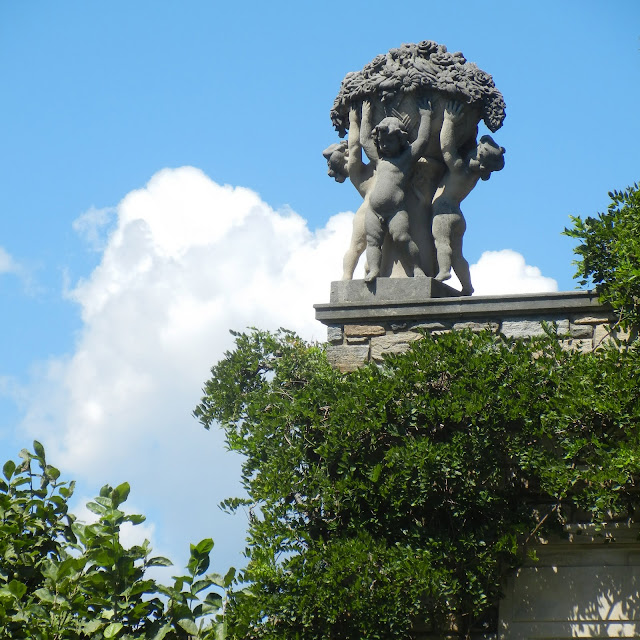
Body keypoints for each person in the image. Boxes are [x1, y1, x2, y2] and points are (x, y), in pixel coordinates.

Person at [431, 101, 505, 295]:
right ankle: (467, 285)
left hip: (444, 212)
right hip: (458, 216)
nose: (472, 151)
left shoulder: (459, 169)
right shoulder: (473, 176)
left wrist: (448, 121)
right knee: (458, 255)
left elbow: (447, 148)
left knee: (441, 242)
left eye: (476, 151)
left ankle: (444, 271)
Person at [360, 96, 433, 283]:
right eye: (382, 142)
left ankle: (417, 268)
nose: (384, 146)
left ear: (401, 141)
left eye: (389, 142)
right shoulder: (380, 160)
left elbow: (422, 141)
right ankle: (374, 270)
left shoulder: (405, 159)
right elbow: (365, 141)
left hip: (396, 210)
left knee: (402, 238)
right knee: (372, 241)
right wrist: (365, 116)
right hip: (374, 209)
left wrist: (425, 116)